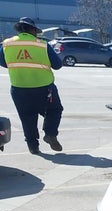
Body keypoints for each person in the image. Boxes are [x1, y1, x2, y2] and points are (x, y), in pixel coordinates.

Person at [0, 17, 64, 154]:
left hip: (19, 88)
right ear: (32, 30)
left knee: (27, 116)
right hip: (44, 88)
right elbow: (58, 65)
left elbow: (3, 62)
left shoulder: (6, 44)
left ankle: (33, 146)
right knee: (54, 110)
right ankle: (50, 134)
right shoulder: (42, 44)